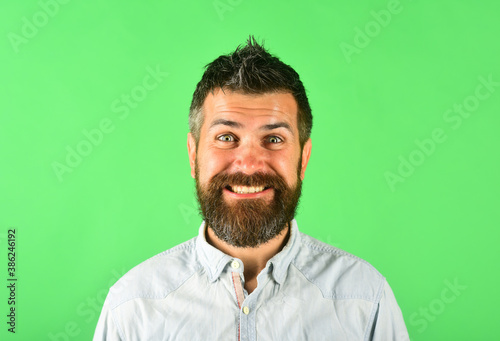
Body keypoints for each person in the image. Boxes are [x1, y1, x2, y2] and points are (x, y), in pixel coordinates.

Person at [93, 36, 409, 340]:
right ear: (193, 154)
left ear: (304, 158)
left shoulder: (366, 300)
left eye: (274, 139)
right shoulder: (132, 306)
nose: (249, 164)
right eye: (227, 137)